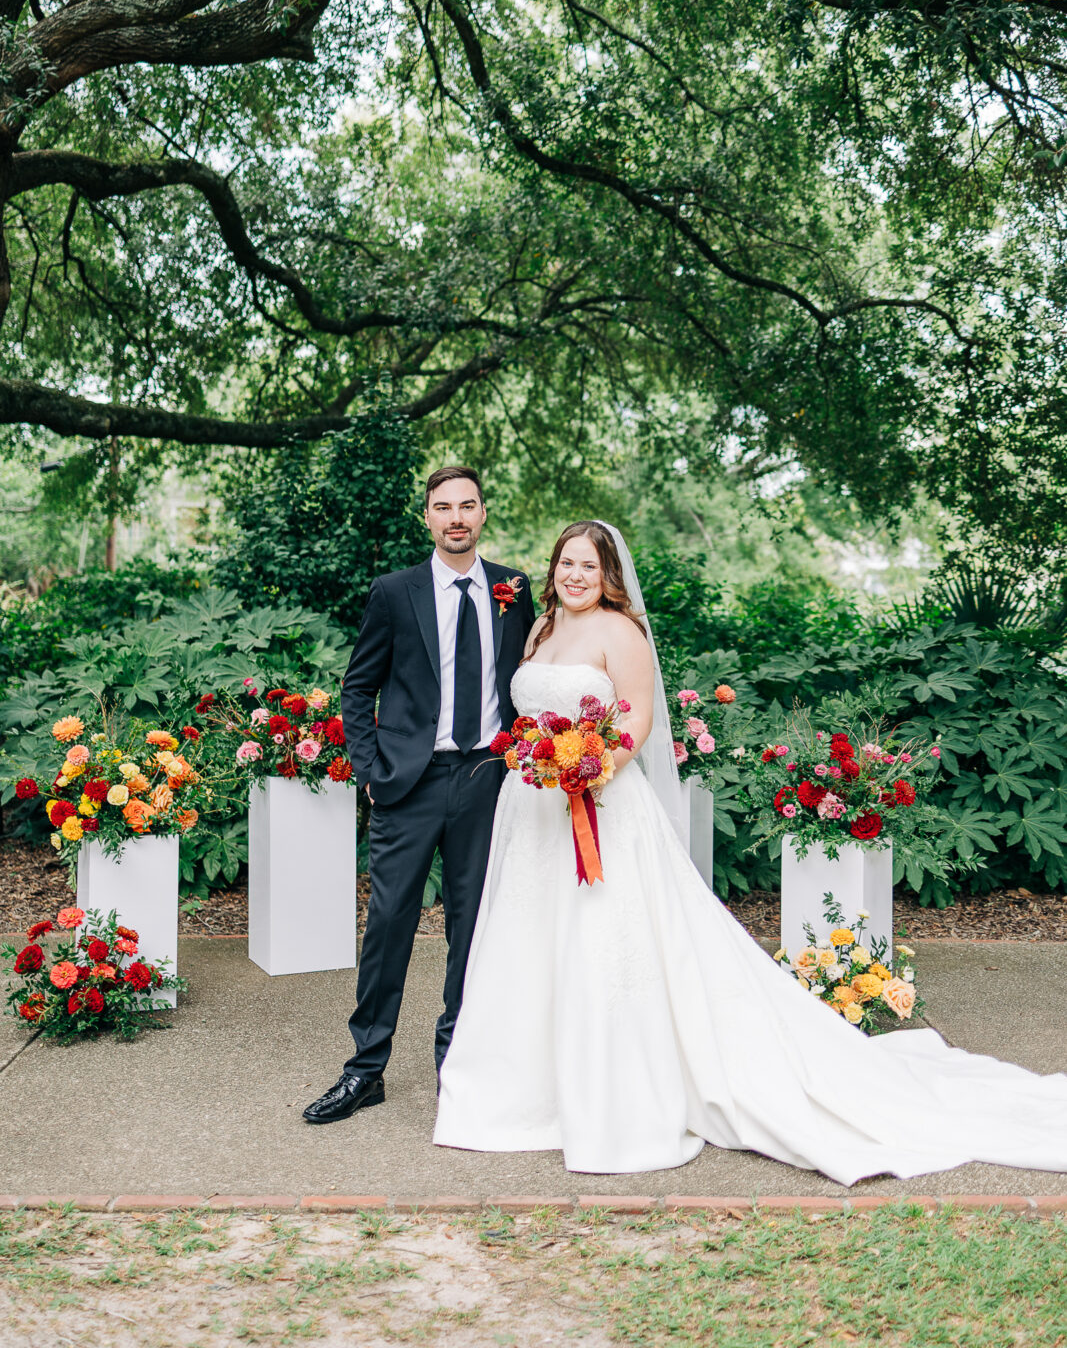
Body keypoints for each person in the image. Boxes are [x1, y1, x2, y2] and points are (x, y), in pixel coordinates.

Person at [434, 520, 1067, 1180]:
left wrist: (589, 769)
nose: (574, 576)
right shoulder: (539, 630)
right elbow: (528, 716)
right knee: (528, 940)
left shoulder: (621, 633)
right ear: (553, 567)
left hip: (598, 802)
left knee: (599, 939)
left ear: (608, 576)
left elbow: (637, 719)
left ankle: (611, 1092)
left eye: (588, 568)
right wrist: (539, 763)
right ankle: (524, 1090)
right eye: (566, 563)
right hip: (531, 807)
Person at [303, 466, 536, 1124]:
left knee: (473, 929)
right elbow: (357, 687)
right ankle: (365, 1068)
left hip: (488, 779)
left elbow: (527, 677)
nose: (455, 517)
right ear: (426, 518)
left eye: (466, 505)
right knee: (387, 927)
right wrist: (372, 769)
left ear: (483, 513)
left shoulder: (512, 590)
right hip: (409, 782)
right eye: (442, 507)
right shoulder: (394, 592)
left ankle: (455, 1065)